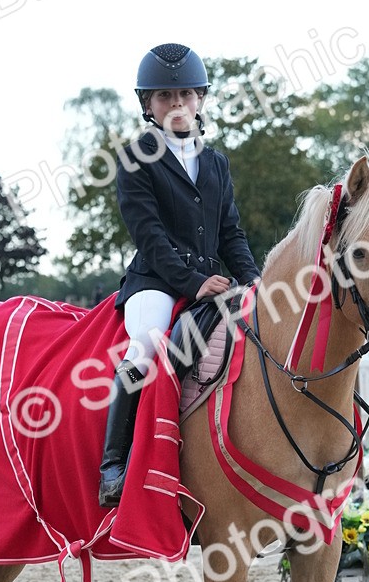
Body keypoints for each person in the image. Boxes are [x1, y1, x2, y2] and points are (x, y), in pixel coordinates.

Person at [98, 42, 261, 508]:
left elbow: (231, 232)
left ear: (200, 100)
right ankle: (115, 463)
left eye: (186, 94)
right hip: (157, 283)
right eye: (165, 97)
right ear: (148, 105)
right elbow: (150, 237)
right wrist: (193, 283)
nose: (177, 104)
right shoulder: (135, 158)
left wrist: (252, 282)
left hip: (213, 286)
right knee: (146, 343)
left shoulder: (215, 163)